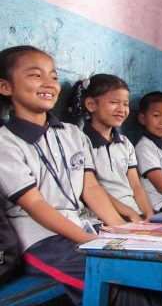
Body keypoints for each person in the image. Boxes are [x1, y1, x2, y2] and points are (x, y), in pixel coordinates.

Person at [0, 46, 162, 306]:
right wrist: (90, 242)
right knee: (118, 282)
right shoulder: (5, 142)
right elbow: (36, 204)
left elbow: (91, 189)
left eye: (52, 76)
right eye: (35, 75)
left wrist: (124, 230)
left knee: (148, 270)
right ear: (5, 87)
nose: (49, 83)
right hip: (42, 241)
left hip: (83, 227)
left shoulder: (72, 133)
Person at [66, 74, 154, 221]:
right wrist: (129, 213)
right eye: (114, 102)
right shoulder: (81, 142)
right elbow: (91, 188)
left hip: (135, 214)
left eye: (125, 104)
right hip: (105, 217)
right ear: (91, 105)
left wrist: (148, 214)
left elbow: (136, 186)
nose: (121, 109)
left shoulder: (125, 144)